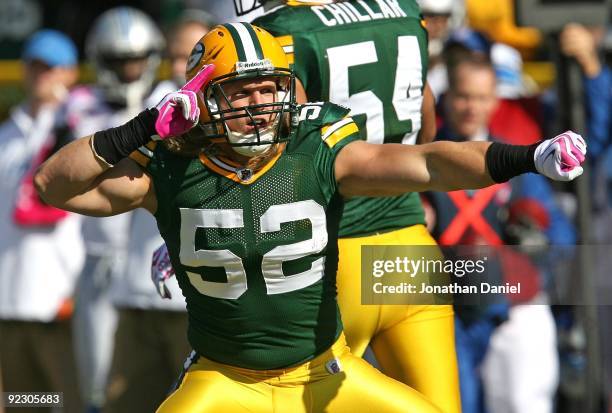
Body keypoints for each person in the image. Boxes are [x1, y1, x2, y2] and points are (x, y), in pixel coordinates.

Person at [34, 23, 586, 413]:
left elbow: (423, 161)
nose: (258, 104)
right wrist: (143, 127)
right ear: (203, 98)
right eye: (240, 91)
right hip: (224, 379)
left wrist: (527, 157)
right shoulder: (170, 166)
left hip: (327, 372)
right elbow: (53, 184)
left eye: (267, 87)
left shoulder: (317, 147)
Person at [248, 2, 456, 411]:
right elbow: (425, 121)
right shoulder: (402, 10)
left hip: (332, 259)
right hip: (410, 245)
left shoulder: (285, 28)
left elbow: (280, 153)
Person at [429, 54, 571, 413]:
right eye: (463, 96)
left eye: (480, 97)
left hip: (507, 302)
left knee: (523, 400)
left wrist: (536, 241)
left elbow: (560, 236)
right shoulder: (421, 156)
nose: (470, 107)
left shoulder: (519, 158)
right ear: (447, 97)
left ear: (495, 100)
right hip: (445, 307)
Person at [101, 14, 211, 413]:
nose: (183, 68)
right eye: (177, 56)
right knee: (122, 404)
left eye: (195, 56)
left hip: (200, 302)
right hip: (138, 295)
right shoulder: (156, 104)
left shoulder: (231, 111)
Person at [61, 7, 166, 411]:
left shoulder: (164, 102)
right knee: (96, 382)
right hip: (98, 260)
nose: (129, 70)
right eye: (119, 61)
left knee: (150, 377)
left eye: (136, 60)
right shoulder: (77, 108)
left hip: (147, 259)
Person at [0, 29, 84, 413]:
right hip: (9, 300)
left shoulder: (83, 133)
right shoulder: (6, 135)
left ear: (70, 73)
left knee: (68, 400)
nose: (41, 76)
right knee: (22, 402)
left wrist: (78, 289)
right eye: (35, 67)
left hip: (58, 298)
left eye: (51, 68)